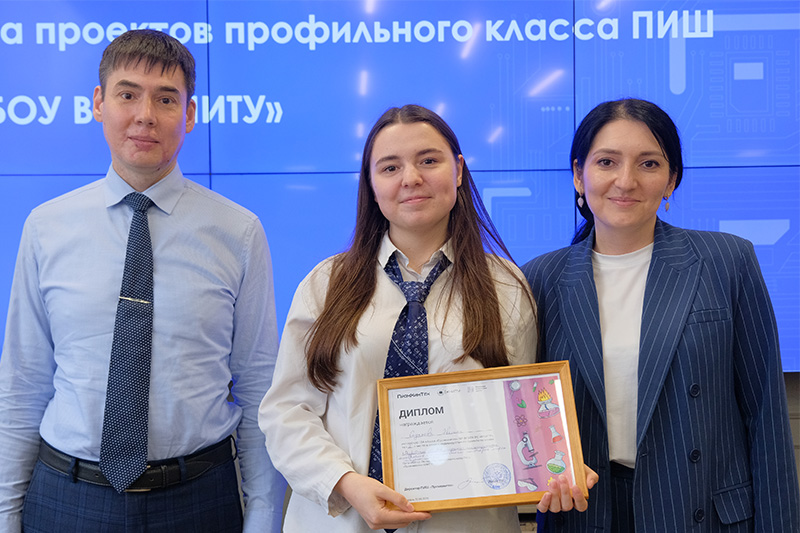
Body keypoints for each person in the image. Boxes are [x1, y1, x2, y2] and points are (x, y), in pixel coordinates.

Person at [0, 29, 286, 532]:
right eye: (127, 94)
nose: (145, 115)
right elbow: (23, 384)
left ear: (189, 114)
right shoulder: (46, 227)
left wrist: (263, 516)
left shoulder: (238, 232)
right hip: (67, 497)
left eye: (166, 99)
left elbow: (259, 384)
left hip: (200, 498)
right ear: (99, 103)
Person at [523, 98, 800, 532]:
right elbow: (525, 411)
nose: (626, 180)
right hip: (586, 511)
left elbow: (765, 414)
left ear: (671, 179)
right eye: (607, 162)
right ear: (578, 174)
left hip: (697, 507)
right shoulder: (540, 278)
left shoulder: (727, 261)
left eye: (649, 164)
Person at [258, 104, 537, 531]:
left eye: (429, 161)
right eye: (390, 168)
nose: (411, 178)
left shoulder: (506, 286)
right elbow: (286, 411)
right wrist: (346, 483)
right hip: (344, 518)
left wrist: (550, 467)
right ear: (371, 186)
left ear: (459, 171)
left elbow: (524, 414)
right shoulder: (326, 283)